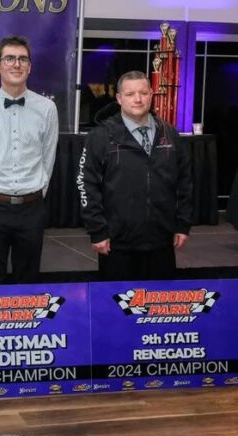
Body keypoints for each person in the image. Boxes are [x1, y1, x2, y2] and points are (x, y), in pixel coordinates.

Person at [77, 70, 193, 281]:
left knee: (158, 308)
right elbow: (86, 184)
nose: (138, 99)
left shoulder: (170, 134)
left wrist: (183, 225)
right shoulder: (101, 135)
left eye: (143, 92)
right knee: (116, 307)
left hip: (162, 240)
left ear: (151, 95)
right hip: (117, 242)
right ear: (119, 99)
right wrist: (97, 230)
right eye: (130, 94)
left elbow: (185, 182)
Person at [0, 36, 59, 284]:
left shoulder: (47, 108)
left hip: (32, 208)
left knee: (29, 281)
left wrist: (36, 196)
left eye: (23, 59)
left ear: (30, 66)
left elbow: (48, 159)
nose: (16, 64)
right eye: (9, 58)